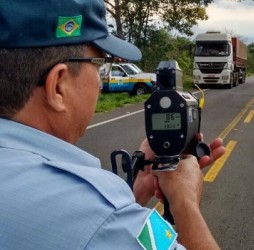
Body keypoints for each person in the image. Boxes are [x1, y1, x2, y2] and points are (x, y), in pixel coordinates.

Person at [0, 1, 226, 249]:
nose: (100, 82)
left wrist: (137, 190)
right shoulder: (100, 217)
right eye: (99, 66)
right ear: (58, 86)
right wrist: (185, 203)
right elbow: (105, 228)